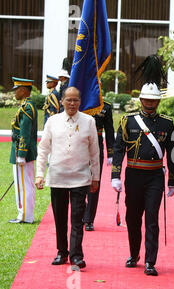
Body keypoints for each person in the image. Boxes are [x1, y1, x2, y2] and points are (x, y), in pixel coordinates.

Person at [111, 83, 174, 276]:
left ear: (158, 101)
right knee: (132, 218)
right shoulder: (128, 120)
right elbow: (118, 149)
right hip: (133, 175)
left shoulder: (167, 122)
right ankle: (134, 254)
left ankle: (150, 260)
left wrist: (172, 180)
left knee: (151, 219)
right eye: (147, 100)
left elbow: (173, 153)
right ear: (141, 100)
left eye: (154, 100)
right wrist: (115, 175)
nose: (150, 104)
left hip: (155, 177)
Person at [35, 87, 100, 270]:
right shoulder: (52, 122)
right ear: (62, 101)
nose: (72, 104)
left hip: (81, 178)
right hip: (58, 177)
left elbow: (95, 152)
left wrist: (96, 177)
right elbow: (44, 149)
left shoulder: (89, 122)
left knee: (77, 219)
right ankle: (62, 252)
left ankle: (76, 256)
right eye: (68, 100)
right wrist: (40, 174)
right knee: (60, 218)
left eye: (75, 100)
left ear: (80, 101)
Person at [8, 77, 38, 224]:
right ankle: (24, 214)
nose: (15, 92)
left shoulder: (27, 107)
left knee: (24, 185)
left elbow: (25, 132)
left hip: (23, 153)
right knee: (24, 184)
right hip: (21, 151)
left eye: (17, 89)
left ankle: (25, 216)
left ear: (24, 90)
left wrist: (21, 154)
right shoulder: (26, 105)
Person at [83, 101, 115, 231]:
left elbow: (109, 129)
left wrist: (111, 152)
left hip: (96, 147)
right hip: (79, 147)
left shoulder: (105, 106)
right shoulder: (80, 101)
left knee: (94, 182)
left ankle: (89, 219)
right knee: (77, 182)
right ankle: (82, 212)